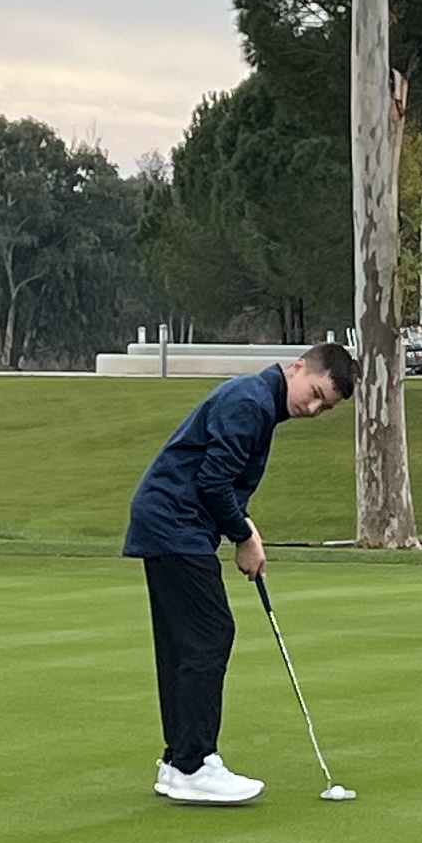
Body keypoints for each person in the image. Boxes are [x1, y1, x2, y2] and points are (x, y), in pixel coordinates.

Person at [122, 344, 356, 805]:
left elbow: (221, 481)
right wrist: (243, 536)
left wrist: (244, 527)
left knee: (184, 644)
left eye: (324, 407)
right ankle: (194, 764)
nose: (313, 409)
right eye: (314, 394)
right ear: (297, 367)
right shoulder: (250, 403)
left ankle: (178, 761)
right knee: (209, 635)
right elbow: (212, 483)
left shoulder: (258, 403)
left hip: (172, 522)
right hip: (175, 523)